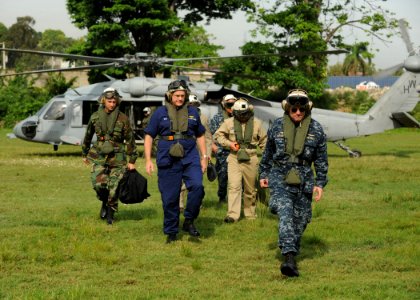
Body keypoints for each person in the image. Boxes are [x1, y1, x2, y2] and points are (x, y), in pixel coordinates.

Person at [259, 89, 328, 277]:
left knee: (301, 219)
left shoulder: (316, 129)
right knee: (285, 212)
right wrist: (263, 174)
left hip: (305, 179)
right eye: (294, 109)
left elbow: (321, 160)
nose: (298, 113)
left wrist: (320, 184)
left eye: (301, 109)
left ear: (307, 109)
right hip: (280, 177)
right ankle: (288, 258)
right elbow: (267, 154)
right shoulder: (276, 126)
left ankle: (292, 254)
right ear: (287, 108)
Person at [143, 80, 208, 243]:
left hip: (190, 156)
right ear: (170, 95)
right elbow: (149, 136)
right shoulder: (159, 113)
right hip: (167, 157)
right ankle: (171, 232)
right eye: (177, 95)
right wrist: (148, 160)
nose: (180, 98)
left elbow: (200, 135)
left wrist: (204, 156)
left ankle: (189, 220)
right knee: (170, 198)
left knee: (197, 187)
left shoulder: (193, 112)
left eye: (182, 95)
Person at [82, 87, 138, 225]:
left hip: (118, 157)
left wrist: (132, 159)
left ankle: (110, 214)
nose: (112, 104)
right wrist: (85, 153)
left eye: (114, 101)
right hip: (99, 155)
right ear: (103, 101)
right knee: (99, 185)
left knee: (114, 186)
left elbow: (130, 139)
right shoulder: (95, 117)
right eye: (109, 101)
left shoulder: (123, 118)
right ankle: (104, 202)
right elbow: (88, 136)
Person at [214, 98, 267, 223]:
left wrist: (268, 158)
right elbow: (218, 135)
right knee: (234, 186)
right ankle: (232, 215)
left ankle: (250, 214)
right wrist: (229, 144)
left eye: (246, 113)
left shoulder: (257, 124)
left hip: (251, 157)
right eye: (241, 114)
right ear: (235, 113)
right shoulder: (228, 123)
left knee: (250, 189)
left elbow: (265, 142)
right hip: (234, 158)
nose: (243, 116)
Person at [179, 94, 213, 211]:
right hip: (183, 151)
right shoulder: (179, 116)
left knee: (196, 180)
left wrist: (207, 156)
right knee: (180, 179)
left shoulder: (203, 118)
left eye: (194, 105)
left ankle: (195, 203)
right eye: (190, 104)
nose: (192, 106)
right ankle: (180, 204)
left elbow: (208, 138)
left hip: (199, 153)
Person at [209, 94, 237, 203]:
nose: (231, 107)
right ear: (224, 105)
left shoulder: (242, 117)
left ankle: (240, 199)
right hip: (222, 153)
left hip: (237, 151)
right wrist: (213, 147)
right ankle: (222, 197)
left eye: (233, 104)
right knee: (223, 177)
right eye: (229, 104)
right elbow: (209, 134)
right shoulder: (218, 118)